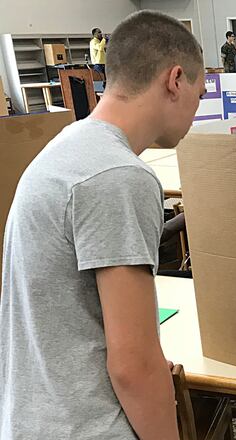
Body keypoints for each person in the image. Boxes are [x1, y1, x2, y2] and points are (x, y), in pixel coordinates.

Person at [0, 10, 205, 439]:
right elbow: (133, 365)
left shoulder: (69, 147)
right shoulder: (119, 176)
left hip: (37, 414)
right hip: (86, 426)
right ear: (175, 80)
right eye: (199, 95)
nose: (196, 111)